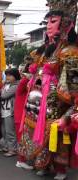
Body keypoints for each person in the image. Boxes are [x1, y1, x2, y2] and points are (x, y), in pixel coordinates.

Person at [17, 0, 78, 178]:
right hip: (35, 102)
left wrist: (70, 110)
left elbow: (73, 85)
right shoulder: (44, 50)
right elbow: (27, 68)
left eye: (53, 21)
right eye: (47, 22)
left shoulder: (70, 51)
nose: (48, 26)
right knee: (35, 130)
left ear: (67, 23)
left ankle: (59, 168)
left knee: (54, 133)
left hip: (55, 102)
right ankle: (41, 164)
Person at [0, 68, 20, 157]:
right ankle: (7, 146)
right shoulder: (7, 84)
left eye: (10, 75)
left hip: (9, 111)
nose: (8, 77)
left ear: (15, 76)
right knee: (4, 130)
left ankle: (13, 150)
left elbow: (4, 95)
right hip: (3, 110)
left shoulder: (16, 85)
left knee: (10, 131)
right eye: (7, 75)